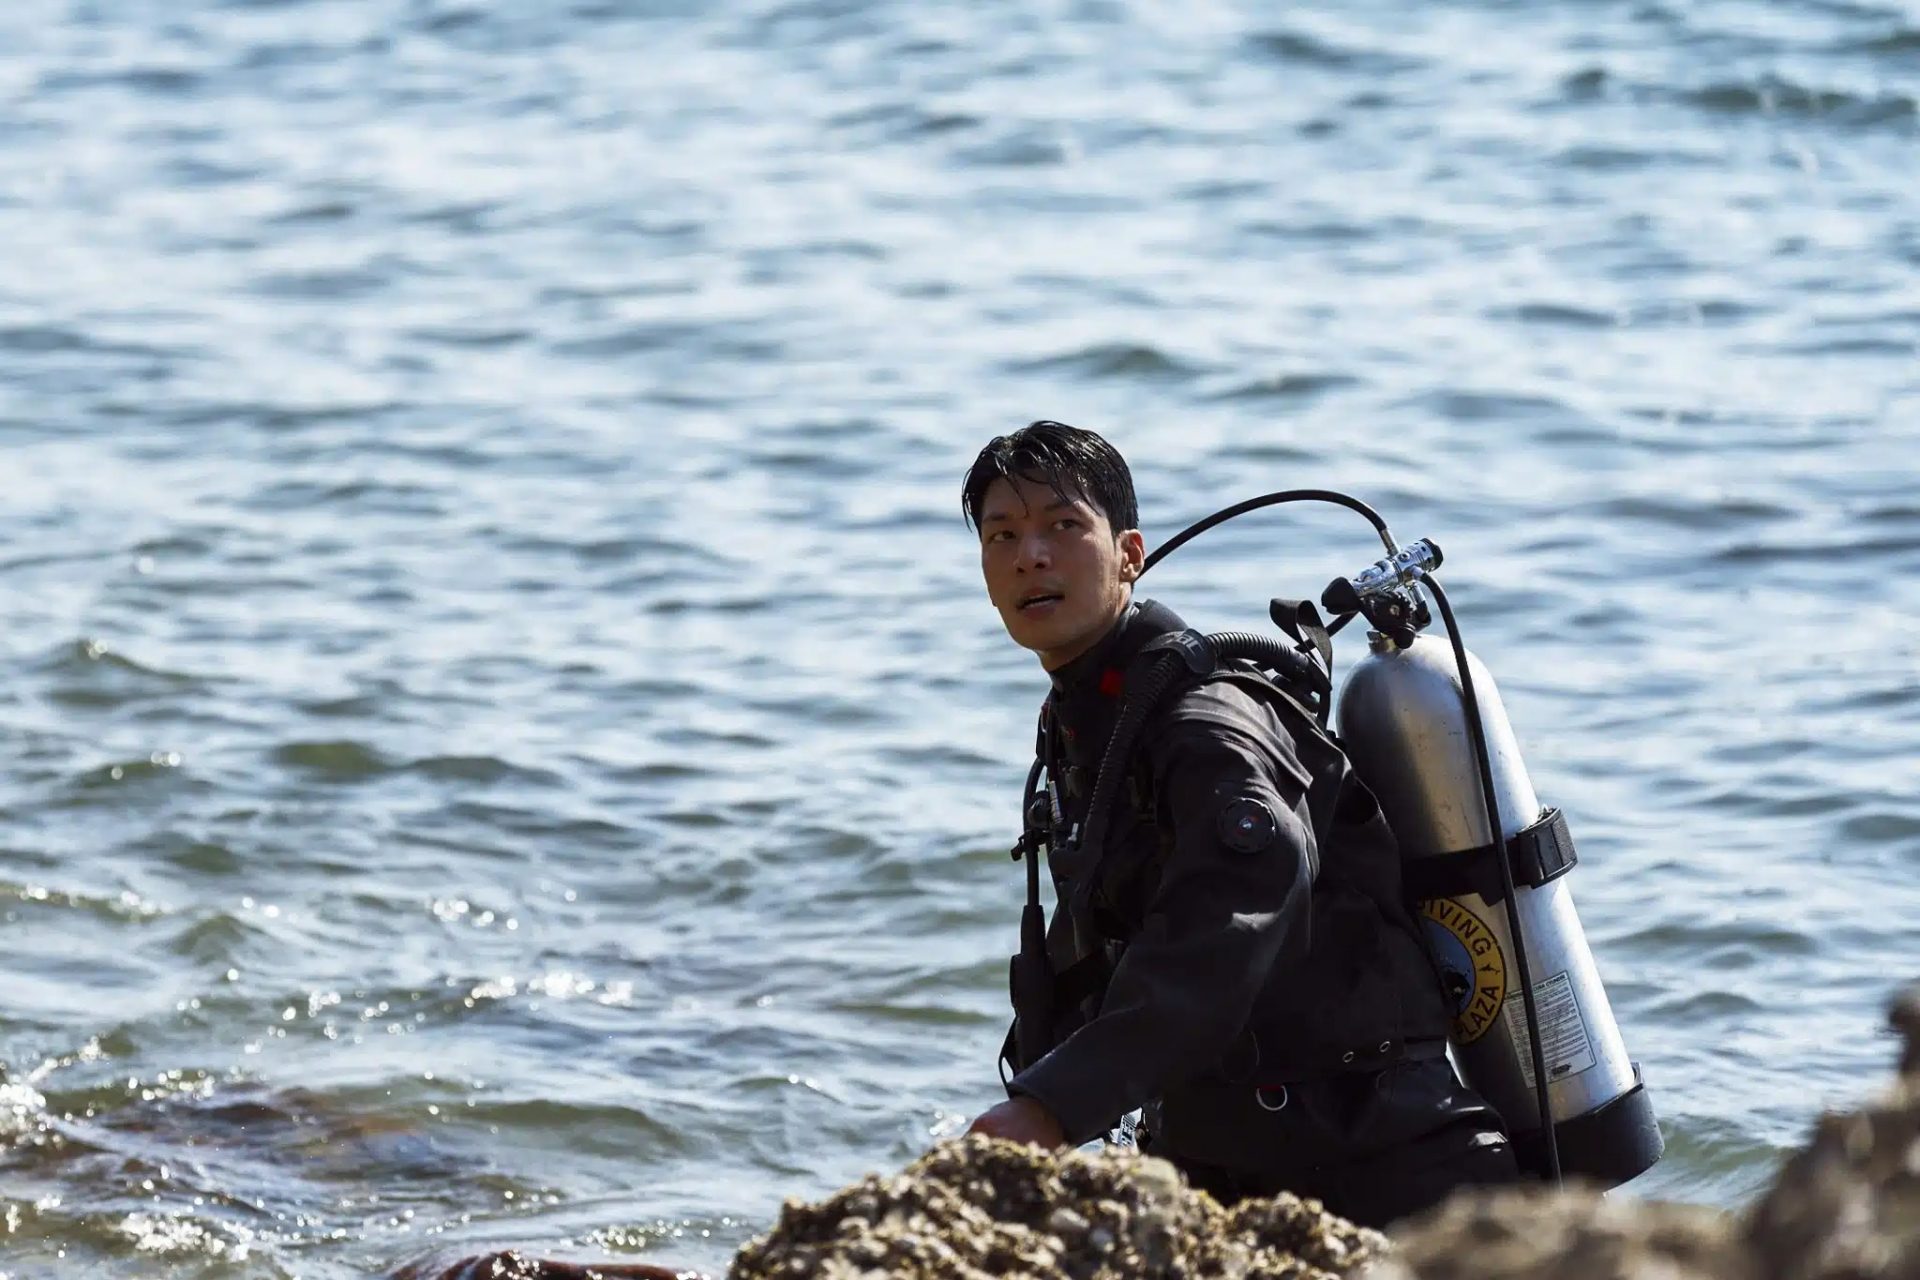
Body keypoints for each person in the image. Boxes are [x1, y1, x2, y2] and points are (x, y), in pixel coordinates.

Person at [961, 420, 1520, 1228]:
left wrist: (1052, 1107)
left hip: (1382, 1170)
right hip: (1234, 1164)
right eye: (1002, 536)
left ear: (1129, 553)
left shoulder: (1207, 724)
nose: (1030, 556)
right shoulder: (1092, 722)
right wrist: (1035, 1095)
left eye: (1062, 525)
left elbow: (1229, 926)